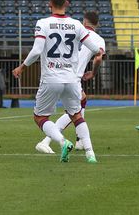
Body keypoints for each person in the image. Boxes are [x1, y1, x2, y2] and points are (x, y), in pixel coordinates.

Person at [12, 0, 102, 163]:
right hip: (71, 79)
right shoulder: (76, 24)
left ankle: (62, 142)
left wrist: (22, 67)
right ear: (66, 3)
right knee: (76, 115)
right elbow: (94, 49)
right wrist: (95, 53)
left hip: (51, 78)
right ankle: (90, 154)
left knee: (40, 117)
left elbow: (37, 50)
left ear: (49, 3)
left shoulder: (43, 23)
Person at [35, 10, 105, 155]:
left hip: (55, 74)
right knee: (75, 112)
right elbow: (98, 58)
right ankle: (47, 141)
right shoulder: (97, 39)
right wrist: (93, 72)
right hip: (72, 78)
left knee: (81, 104)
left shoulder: (73, 30)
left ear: (84, 21)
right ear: (97, 24)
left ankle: (79, 140)